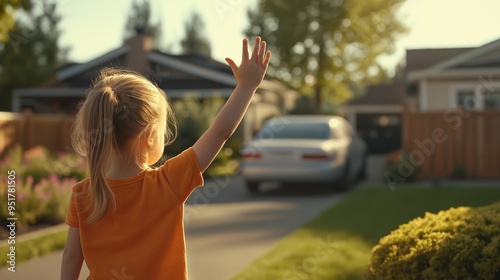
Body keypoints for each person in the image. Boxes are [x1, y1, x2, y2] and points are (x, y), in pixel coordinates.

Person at [61, 36, 271, 280]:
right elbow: (219, 133)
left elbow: (72, 256)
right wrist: (247, 87)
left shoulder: (83, 195)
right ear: (149, 136)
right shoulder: (167, 183)